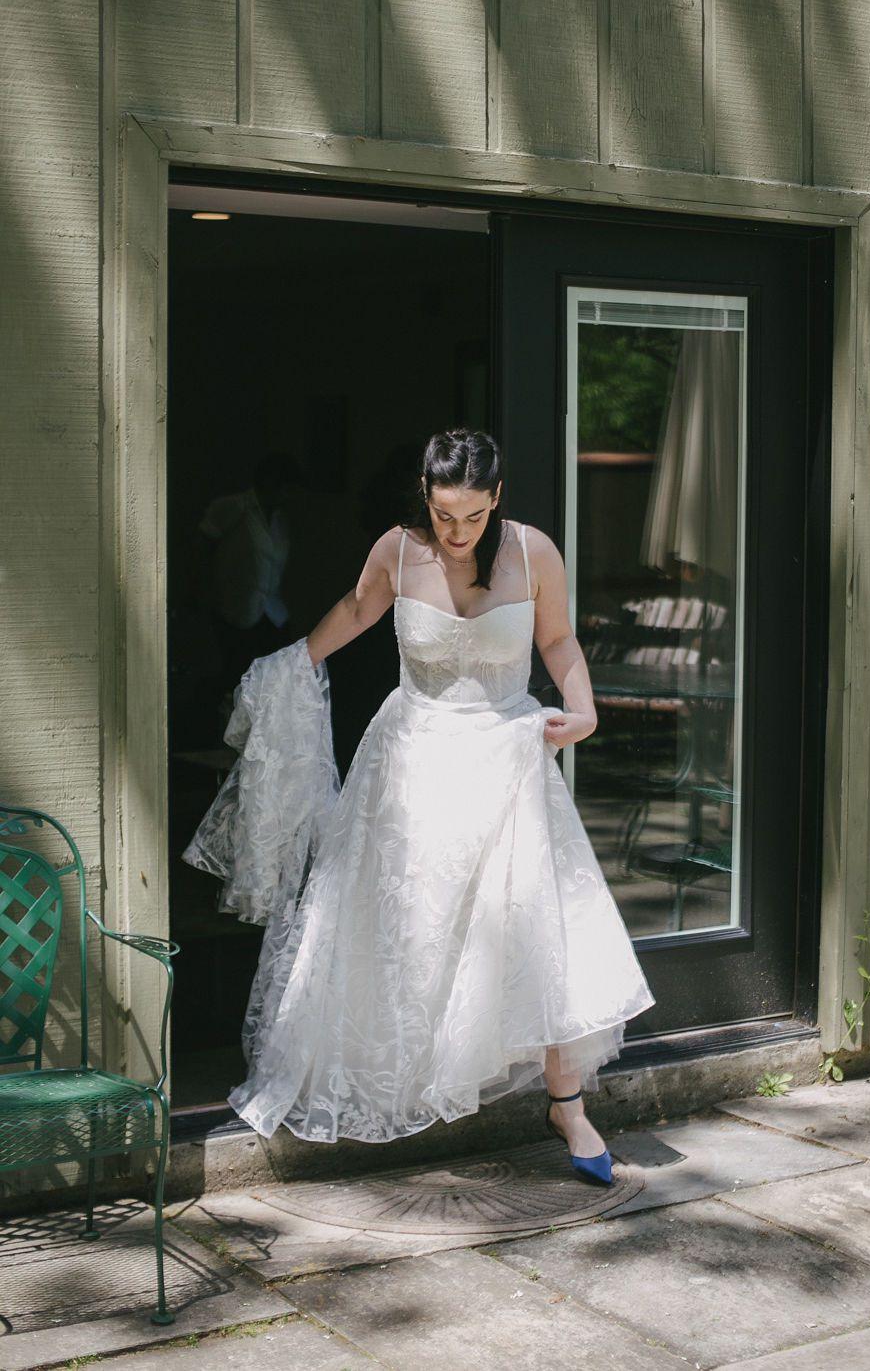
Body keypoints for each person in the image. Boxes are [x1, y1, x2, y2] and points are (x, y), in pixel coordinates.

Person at [186, 429, 654, 1185]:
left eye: (473, 516)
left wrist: (585, 709)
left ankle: (568, 1106)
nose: (458, 532)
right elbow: (356, 609)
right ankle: (396, 1079)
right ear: (425, 499)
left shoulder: (533, 552)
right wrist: (293, 664)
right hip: (412, 759)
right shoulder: (398, 551)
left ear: (497, 498)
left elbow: (560, 640)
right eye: (443, 515)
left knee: (537, 926)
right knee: (406, 928)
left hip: (507, 756)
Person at [197, 452, 301, 698]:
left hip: (271, 613)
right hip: (235, 609)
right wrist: (207, 591)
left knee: (272, 682)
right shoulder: (234, 508)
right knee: (233, 678)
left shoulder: (280, 520)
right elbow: (203, 545)